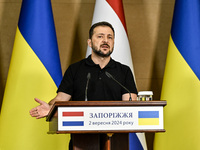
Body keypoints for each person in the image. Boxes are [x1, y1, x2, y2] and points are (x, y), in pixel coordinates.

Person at [29, 21, 138, 150]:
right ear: (90, 43)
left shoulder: (123, 71)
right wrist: (51, 109)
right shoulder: (75, 69)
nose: (105, 40)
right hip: (81, 141)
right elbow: (60, 99)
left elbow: (131, 104)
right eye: (100, 36)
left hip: (116, 140)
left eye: (110, 37)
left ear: (113, 42)